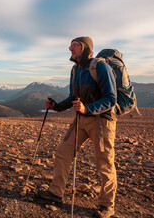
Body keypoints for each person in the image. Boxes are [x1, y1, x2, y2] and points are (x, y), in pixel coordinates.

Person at [38, 37, 117, 218]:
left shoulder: (100, 67)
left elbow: (111, 99)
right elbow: (72, 97)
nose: (70, 48)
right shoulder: (75, 70)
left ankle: (107, 206)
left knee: (104, 164)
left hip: (101, 122)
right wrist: (56, 106)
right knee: (63, 152)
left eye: (75, 45)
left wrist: (87, 108)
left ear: (85, 47)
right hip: (81, 120)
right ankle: (56, 193)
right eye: (70, 45)